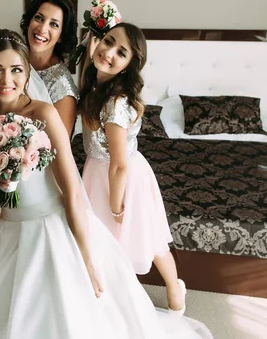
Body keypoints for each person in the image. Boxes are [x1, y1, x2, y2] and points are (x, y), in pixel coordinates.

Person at [0, 29, 213, 338]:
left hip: (55, 228)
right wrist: (7, 177)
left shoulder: (42, 113)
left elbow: (72, 192)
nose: (6, 79)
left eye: (16, 69)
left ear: (28, 73)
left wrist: (86, 258)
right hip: (8, 233)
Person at [78, 23, 186, 315]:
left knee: (143, 235)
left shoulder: (115, 104)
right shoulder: (96, 82)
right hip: (100, 171)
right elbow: (93, 56)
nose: (109, 52)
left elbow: (119, 163)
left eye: (121, 52)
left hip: (120, 177)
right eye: (108, 42)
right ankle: (110, 295)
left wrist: (116, 206)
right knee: (106, 240)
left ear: (128, 65)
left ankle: (174, 286)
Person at [0, 0, 79, 136]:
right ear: (29, 21)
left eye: (54, 24)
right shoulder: (9, 54)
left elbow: (58, 147)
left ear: (61, 35)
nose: (42, 29)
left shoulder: (61, 84)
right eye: (39, 18)